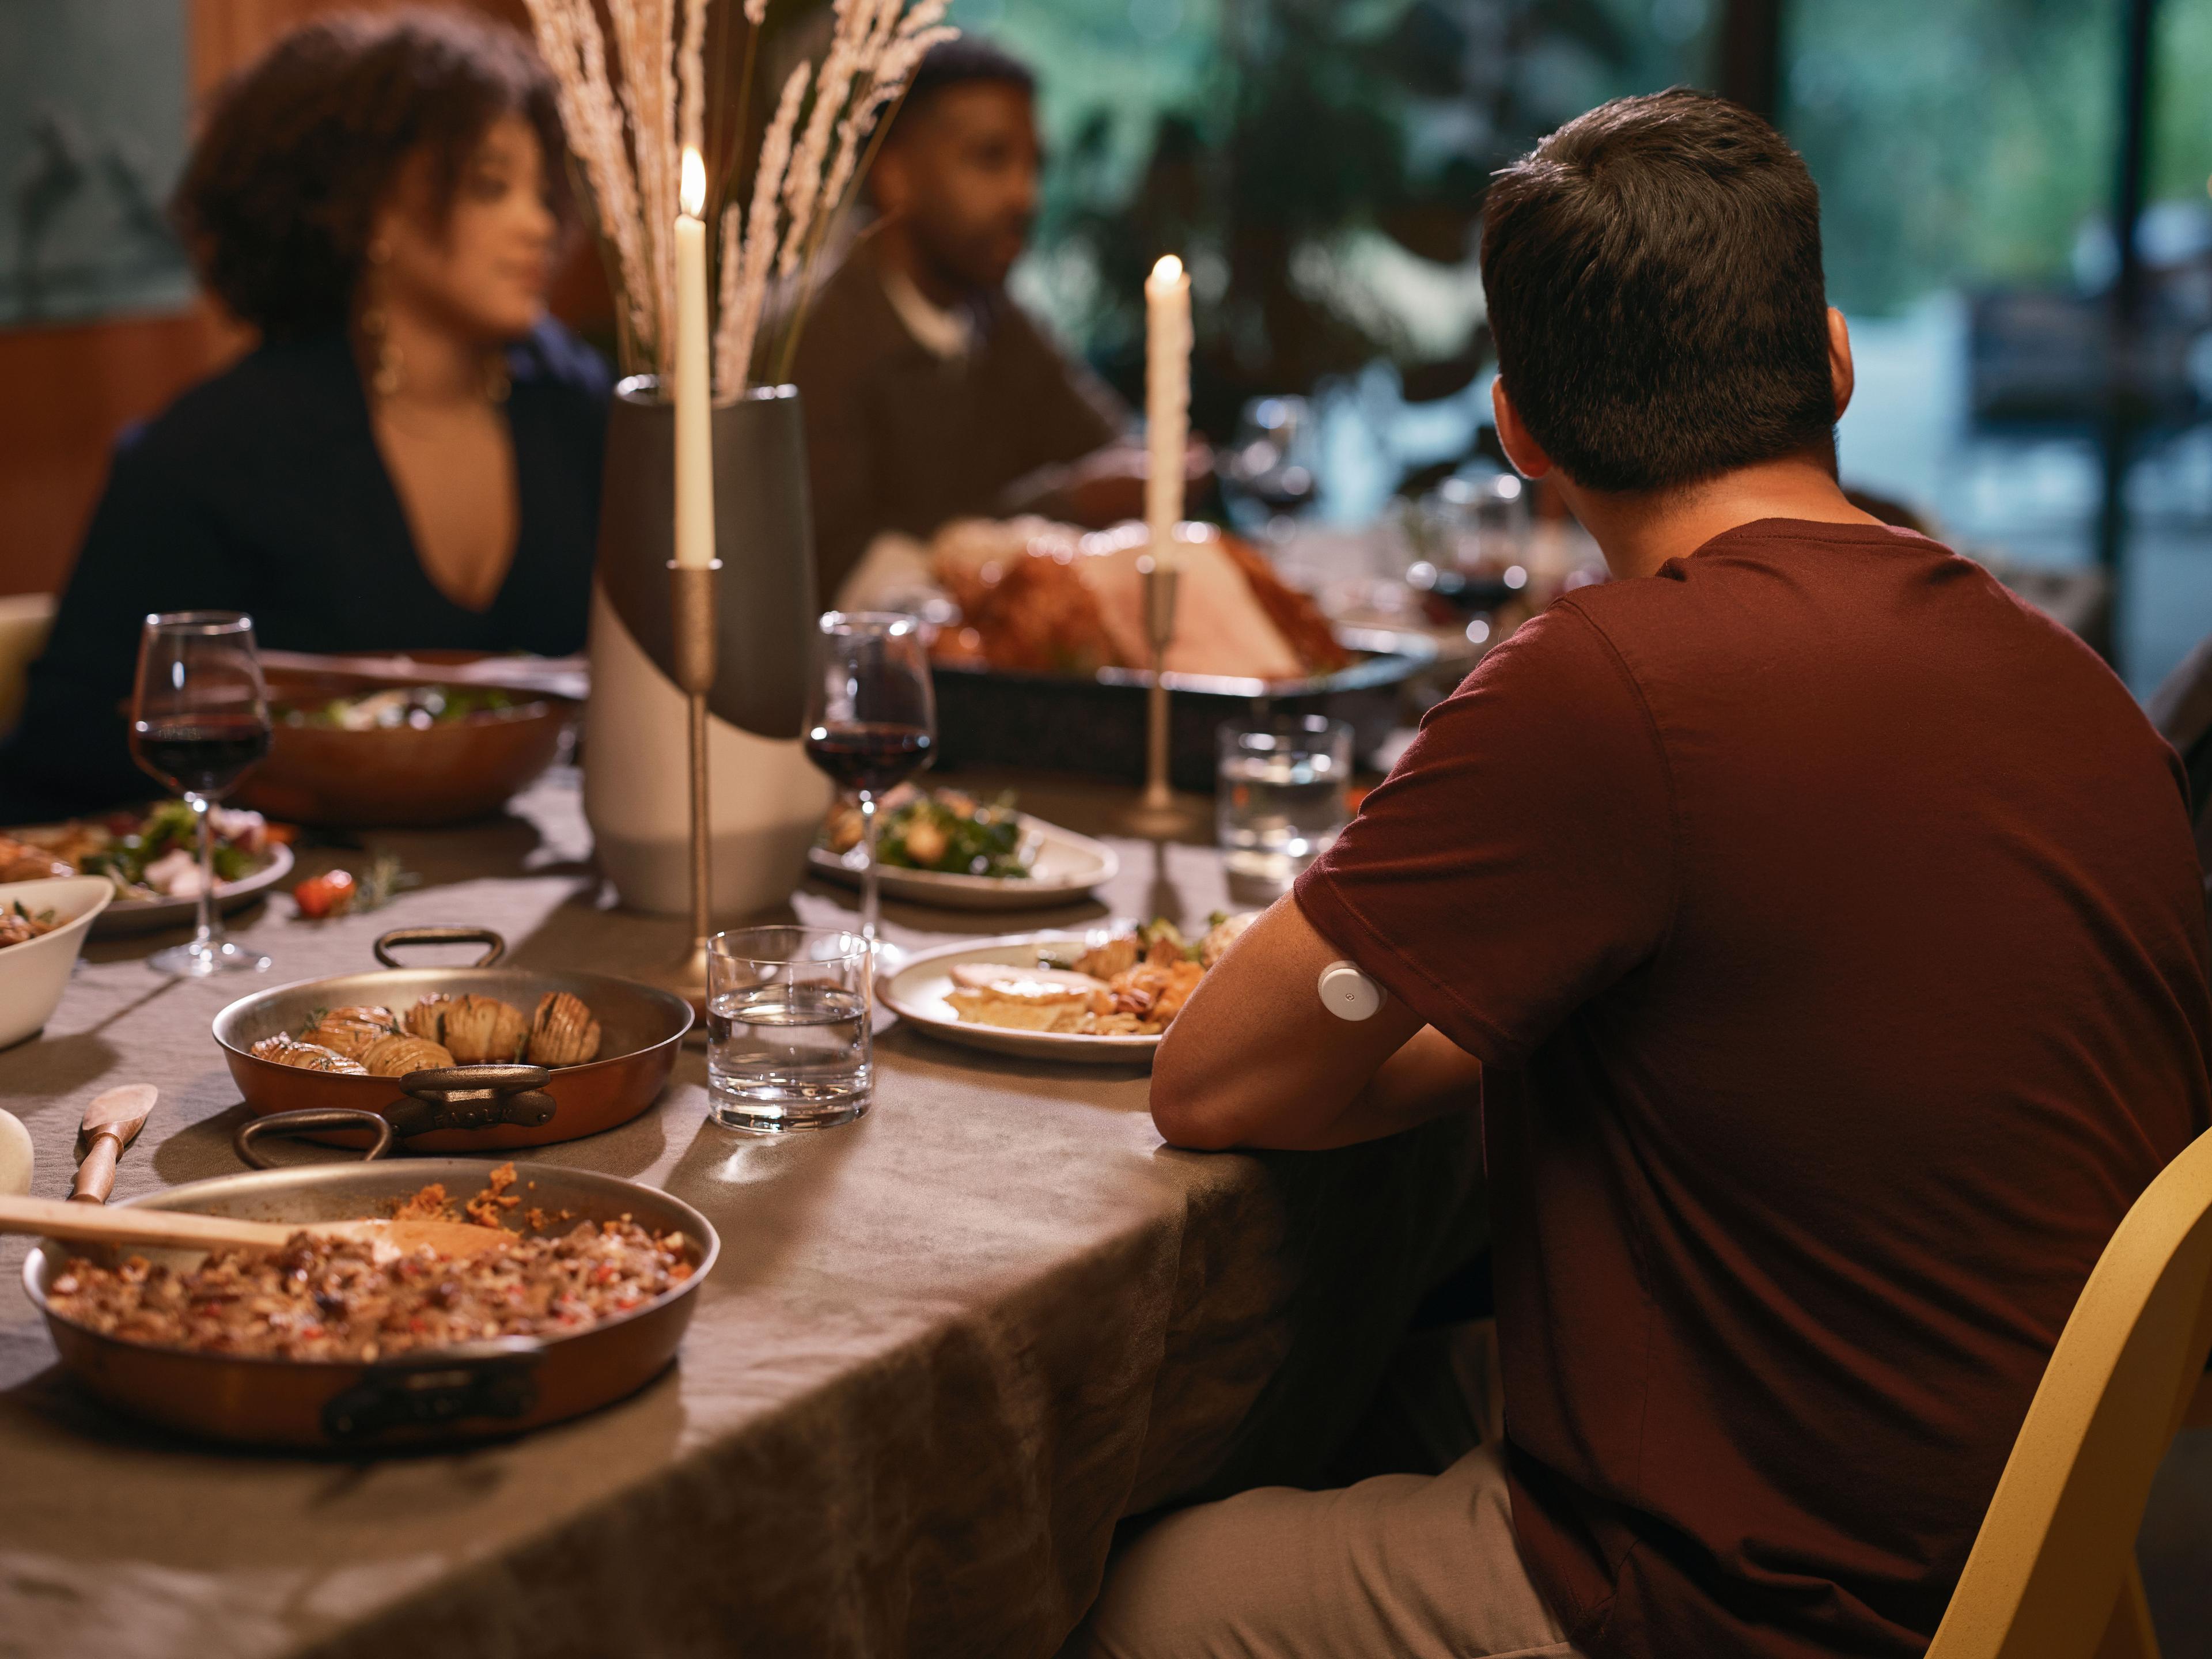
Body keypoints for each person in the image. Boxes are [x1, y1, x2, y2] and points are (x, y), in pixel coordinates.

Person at [1068, 92, 2212, 1659]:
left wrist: (1427, 1006)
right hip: (1992, 1523)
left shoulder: (1610, 682)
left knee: (1111, 1592)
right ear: (1834, 358)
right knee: (1349, 1387)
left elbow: (1212, 1083)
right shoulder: (2072, 680)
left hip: (1745, 1590)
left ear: (1518, 425)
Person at [1, 9, 607, 819]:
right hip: (292, 904)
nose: (539, 224)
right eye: (492, 186)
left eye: (543, 190)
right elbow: (70, 742)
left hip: (543, 888)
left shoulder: (578, 406)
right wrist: (297, 777)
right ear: (372, 208)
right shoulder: (211, 456)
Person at [792, 39, 1175, 604]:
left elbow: (1106, 446)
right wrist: (1062, 504)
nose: (1025, 196)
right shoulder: (815, 338)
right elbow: (844, 567)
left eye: (1034, 166)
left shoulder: (996, 318)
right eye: (991, 159)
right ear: (894, 175)